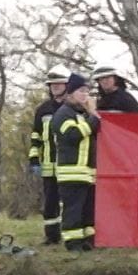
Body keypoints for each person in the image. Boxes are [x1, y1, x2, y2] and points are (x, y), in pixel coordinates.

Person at [52, 76, 102, 251]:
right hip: (71, 172)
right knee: (73, 210)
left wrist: (91, 116)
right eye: (81, 91)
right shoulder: (63, 114)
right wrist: (94, 116)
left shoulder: (81, 115)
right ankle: (73, 243)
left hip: (86, 172)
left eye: (87, 92)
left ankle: (88, 241)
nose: (85, 95)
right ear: (70, 93)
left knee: (88, 210)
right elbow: (73, 135)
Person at [27, 66, 70, 244]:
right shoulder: (43, 109)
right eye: (52, 84)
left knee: (69, 202)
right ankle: (52, 237)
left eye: (59, 83)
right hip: (48, 165)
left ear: (67, 85)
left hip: (70, 164)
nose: (55, 87)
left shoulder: (74, 107)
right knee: (50, 202)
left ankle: (70, 235)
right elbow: (36, 136)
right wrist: (34, 159)